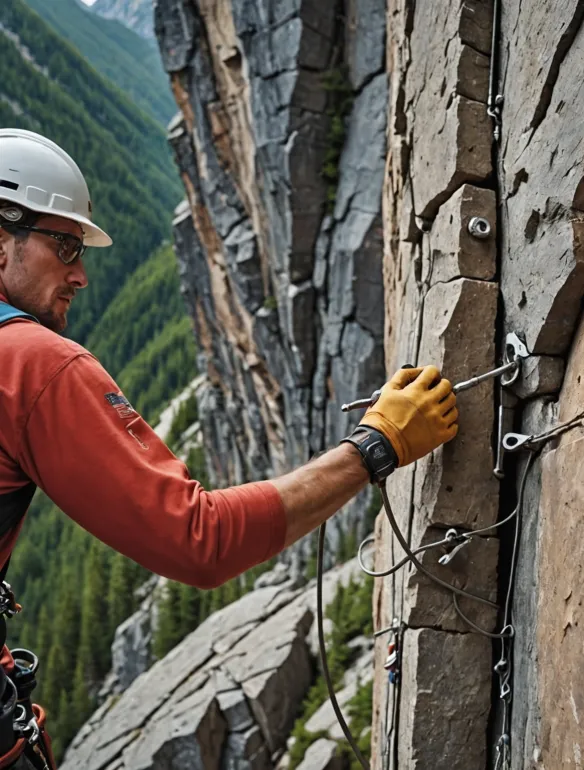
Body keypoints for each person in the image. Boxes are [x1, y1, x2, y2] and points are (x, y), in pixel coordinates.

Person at [0, 129, 458, 766]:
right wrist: (375, 446)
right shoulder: (30, 364)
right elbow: (198, 540)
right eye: (65, 243)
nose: (80, 272)